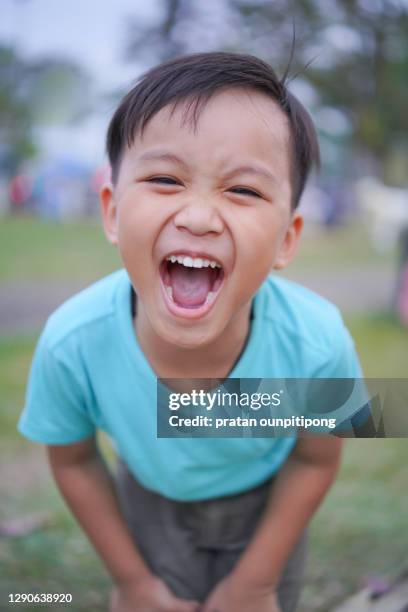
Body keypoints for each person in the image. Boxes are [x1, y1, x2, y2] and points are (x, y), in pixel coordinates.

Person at [18, 52, 363, 612]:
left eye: (244, 190)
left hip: (267, 510)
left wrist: (256, 582)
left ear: (286, 240)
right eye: (164, 179)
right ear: (111, 210)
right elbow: (74, 459)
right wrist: (131, 581)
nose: (198, 217)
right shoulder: (71, 343)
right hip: (146, 505)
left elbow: (318, 457)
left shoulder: (319, 343)